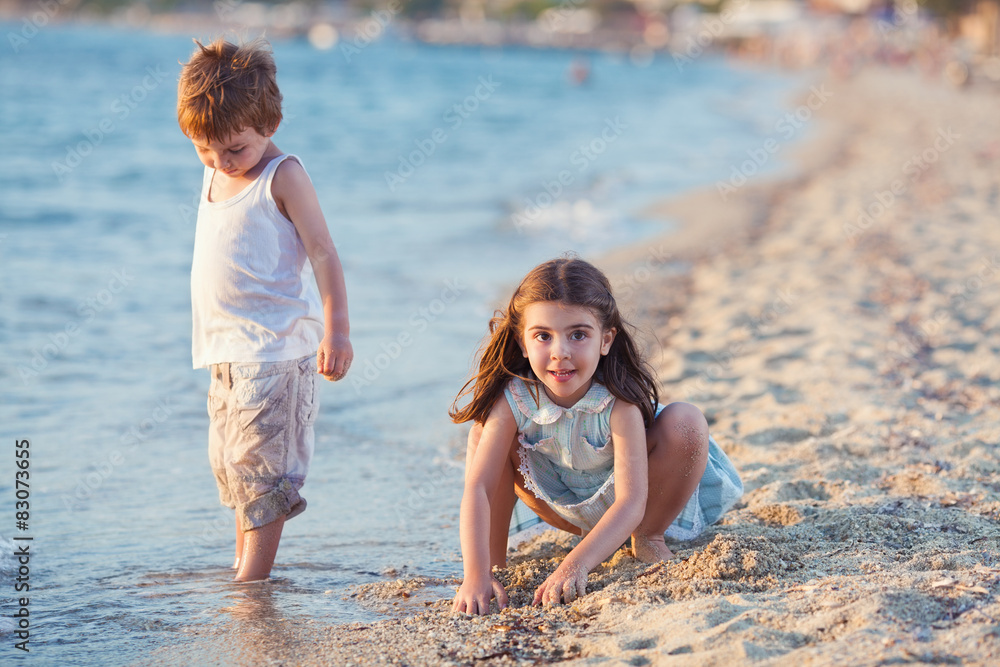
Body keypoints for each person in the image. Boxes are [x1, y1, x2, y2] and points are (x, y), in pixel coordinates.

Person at [450, 257, 742, 614]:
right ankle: (494, 566)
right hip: (562, 505)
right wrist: (473, 574)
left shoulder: (618, 404)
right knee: (483, 433)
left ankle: (648, 538)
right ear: (522, 343)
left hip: (637, 509)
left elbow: (631, 501)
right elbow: (478, 487)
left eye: (578, 334)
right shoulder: (513, 399)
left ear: (605, 340)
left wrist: (575, 565)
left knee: (686, 420)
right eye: (543, 336)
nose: (560, 352)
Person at [177, 37, 353, 582]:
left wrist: (337, 331)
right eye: (206, 150)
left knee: (264, 474)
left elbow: (323, 252)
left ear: (269, 124)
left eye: (234, 150)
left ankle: (252, 585)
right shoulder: (214, 167)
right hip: (225, 354)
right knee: (236, 471)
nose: (220, 161)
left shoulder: (284, 176)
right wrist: (217, 158)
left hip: (274, 352)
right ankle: (242, 569)